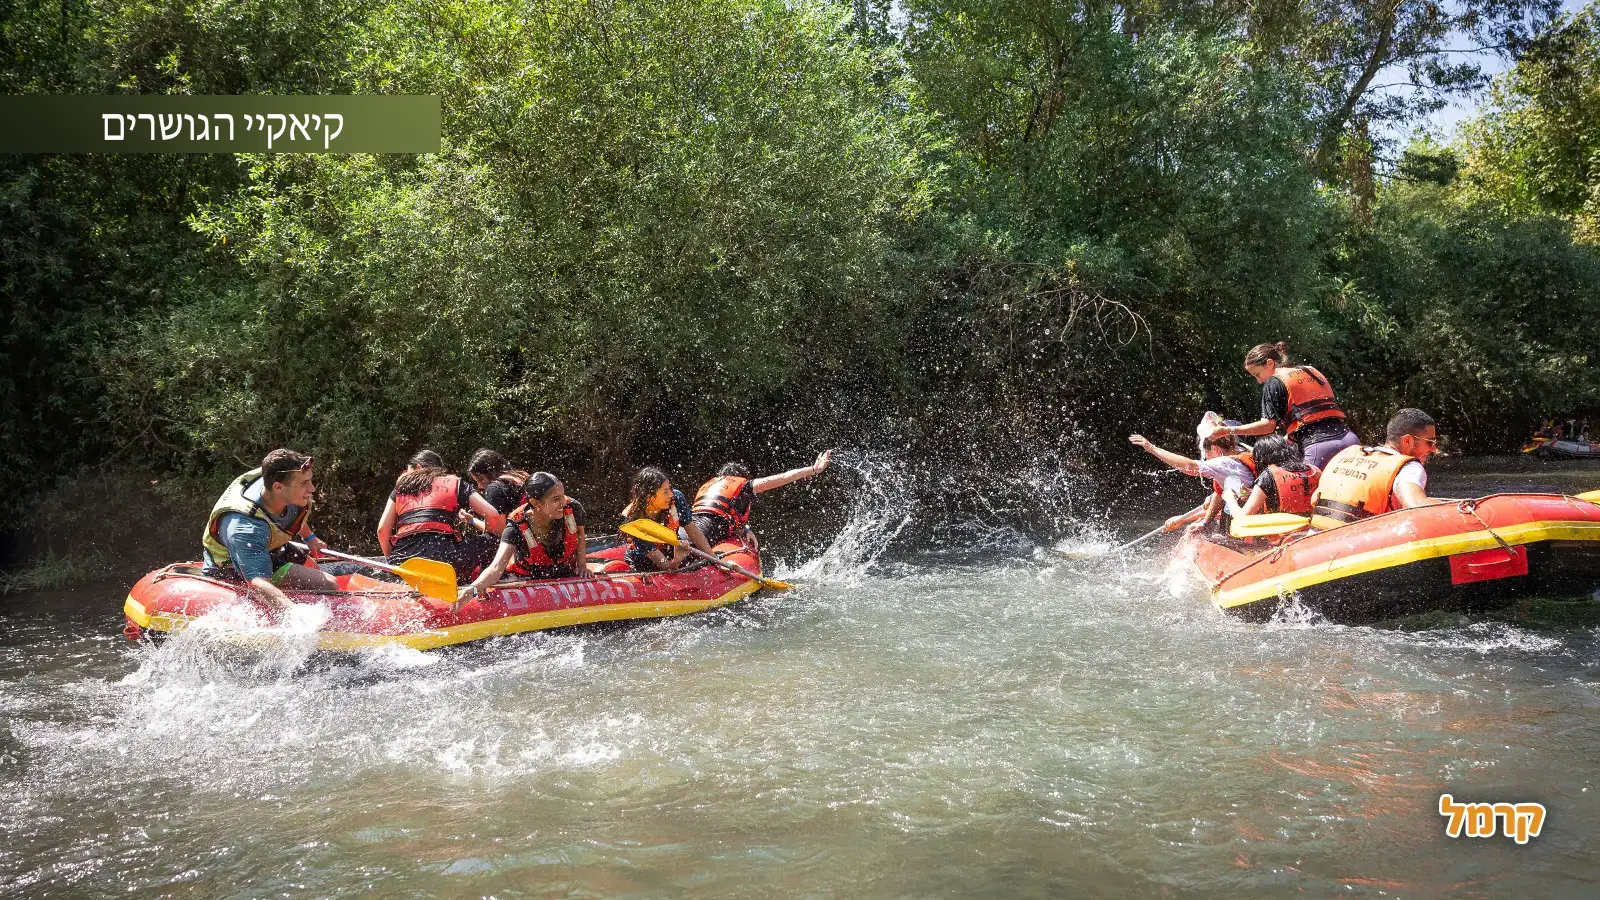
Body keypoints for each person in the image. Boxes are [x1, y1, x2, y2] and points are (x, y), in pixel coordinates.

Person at [201, 448, 338, 614]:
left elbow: (293, 518)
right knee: (328, 583)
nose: (313, 489)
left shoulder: (283, 485)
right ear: (278, 487)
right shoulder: (245, 528)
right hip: (232, 564)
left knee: (314, 570)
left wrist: (310, 538)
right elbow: (257, 583)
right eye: (304, 484)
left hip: (269, 545)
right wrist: (295, 616)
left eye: (310, 480)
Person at [1212, 342, 1360, 470]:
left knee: (1303, 499)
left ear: (1270, 363)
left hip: (1317, 447)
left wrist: (1228, 430)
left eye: (1257, 374)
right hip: (1350, 441)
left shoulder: (1274, 381)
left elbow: (1268, 426)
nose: (1259, 381)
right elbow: (1318, 418)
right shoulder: (1311, 371)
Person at [375, 450, 505, 582]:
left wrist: (392, 561)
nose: (406, 475)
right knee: (494, 539)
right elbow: (493, 514)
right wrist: (487, 536)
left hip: (403, 563)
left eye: (408, 471)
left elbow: (382, 531)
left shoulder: (400, 488)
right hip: (446, 562)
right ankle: (487, 581)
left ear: (418, 468)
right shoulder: (456, 483)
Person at [458, 472, 589, 602]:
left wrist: (582, 566)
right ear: (536, 503)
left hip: (565, 572)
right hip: (527, 579)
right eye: (556, 499)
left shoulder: (573, 508)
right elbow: (497, 567)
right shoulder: (515, 526)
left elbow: (579, 535)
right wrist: (472, 589)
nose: (563, 502)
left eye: (562, 496)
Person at [1309, 408, 1443, 531]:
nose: (1433, 449)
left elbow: (1315, 500)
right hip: (1353, 549)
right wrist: (1461, 507)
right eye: (1429, 442)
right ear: (1407, 441)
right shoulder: (1409, 468)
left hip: (1314, 542)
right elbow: (1417, 506)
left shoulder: (1347, 454)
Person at [1129, 414, 1257, 533]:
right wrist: (1204, 523)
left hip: (1250, 521)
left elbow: (1190, 467)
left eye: (1206, 455)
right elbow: (1219, 493)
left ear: (1215, 449)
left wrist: (1152, 448)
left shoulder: (1225, 463)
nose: (1206, 459)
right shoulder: (1242, 450)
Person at [691, 451, 833, 545]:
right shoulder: (744, 486)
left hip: (688, 526)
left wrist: (746, 530)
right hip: (703, 531)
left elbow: (718, 517)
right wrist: (814, 469)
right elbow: (781, 478)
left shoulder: (709, 486)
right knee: (688, 551)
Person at [620, 466, 712, 572]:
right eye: (665, 491)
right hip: (644, 562)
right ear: (648, 496)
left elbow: (692, 530)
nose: (671, 494)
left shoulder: (676, 499)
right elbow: (665, 566)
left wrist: (714, 559)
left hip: (670, 550)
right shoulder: (633, 521)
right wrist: (677, 560)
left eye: (670, 489)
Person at [1237, 435, 1320, 517]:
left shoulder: (1268, 475)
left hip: (1285, 527)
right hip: (1315, 524)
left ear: (1261, 458)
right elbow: (1300, 491)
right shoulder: (1314, 470)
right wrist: (1253, 493)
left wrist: (1229, 497)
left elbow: (1242, 516)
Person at [467, 449, 529, 517]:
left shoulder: (494, 488)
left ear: (492, 471)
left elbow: (496, 527)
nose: (479, 486)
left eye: (480, 479)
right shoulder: (520, 475)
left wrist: (472, 520)